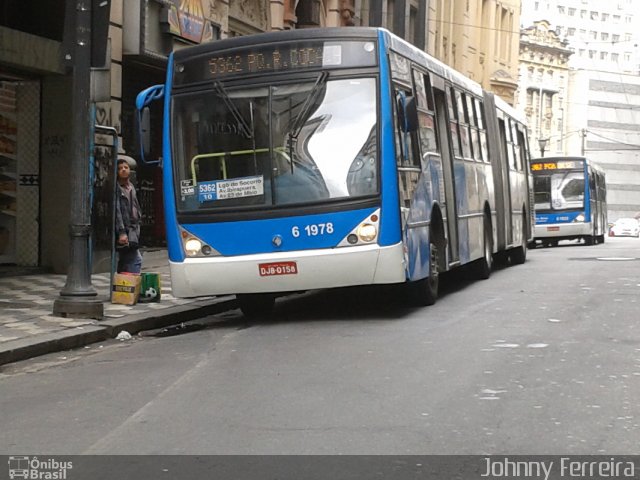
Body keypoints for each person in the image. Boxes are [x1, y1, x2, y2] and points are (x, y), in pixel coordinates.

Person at [115, 156, 143, 273]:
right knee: (136, 260)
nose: (124, 170)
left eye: (126, 167)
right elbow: (116, 211)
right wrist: (121, 232)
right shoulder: (116, 189)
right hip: (125, 229)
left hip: (133, 228)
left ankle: (123, 287)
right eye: (120, 168)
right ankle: (130, 285)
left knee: (125, 260)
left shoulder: (131, 187)